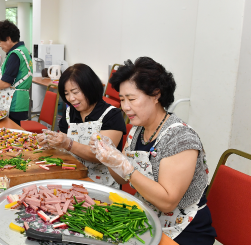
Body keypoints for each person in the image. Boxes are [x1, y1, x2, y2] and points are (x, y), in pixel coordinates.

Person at [88, 57, 216, 244]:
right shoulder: (137, 129)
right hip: (147, 217)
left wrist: (127, 168)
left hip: (182, 230)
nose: (125, 107)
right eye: (122, 99)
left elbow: (167, 202)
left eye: (131, 99)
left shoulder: (180, 138)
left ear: (156, 95)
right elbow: (122, 179)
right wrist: (109, 158)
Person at [37, 63, 126, 188]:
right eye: (66, 93)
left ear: (90, 88)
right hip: (72, 176)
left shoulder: (111, 115)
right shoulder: (70, 112)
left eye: (75, 92)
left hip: (102, 184)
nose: (71, 98)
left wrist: (68, 143)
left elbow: (101, 155)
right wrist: (51, 142)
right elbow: (62, 142)